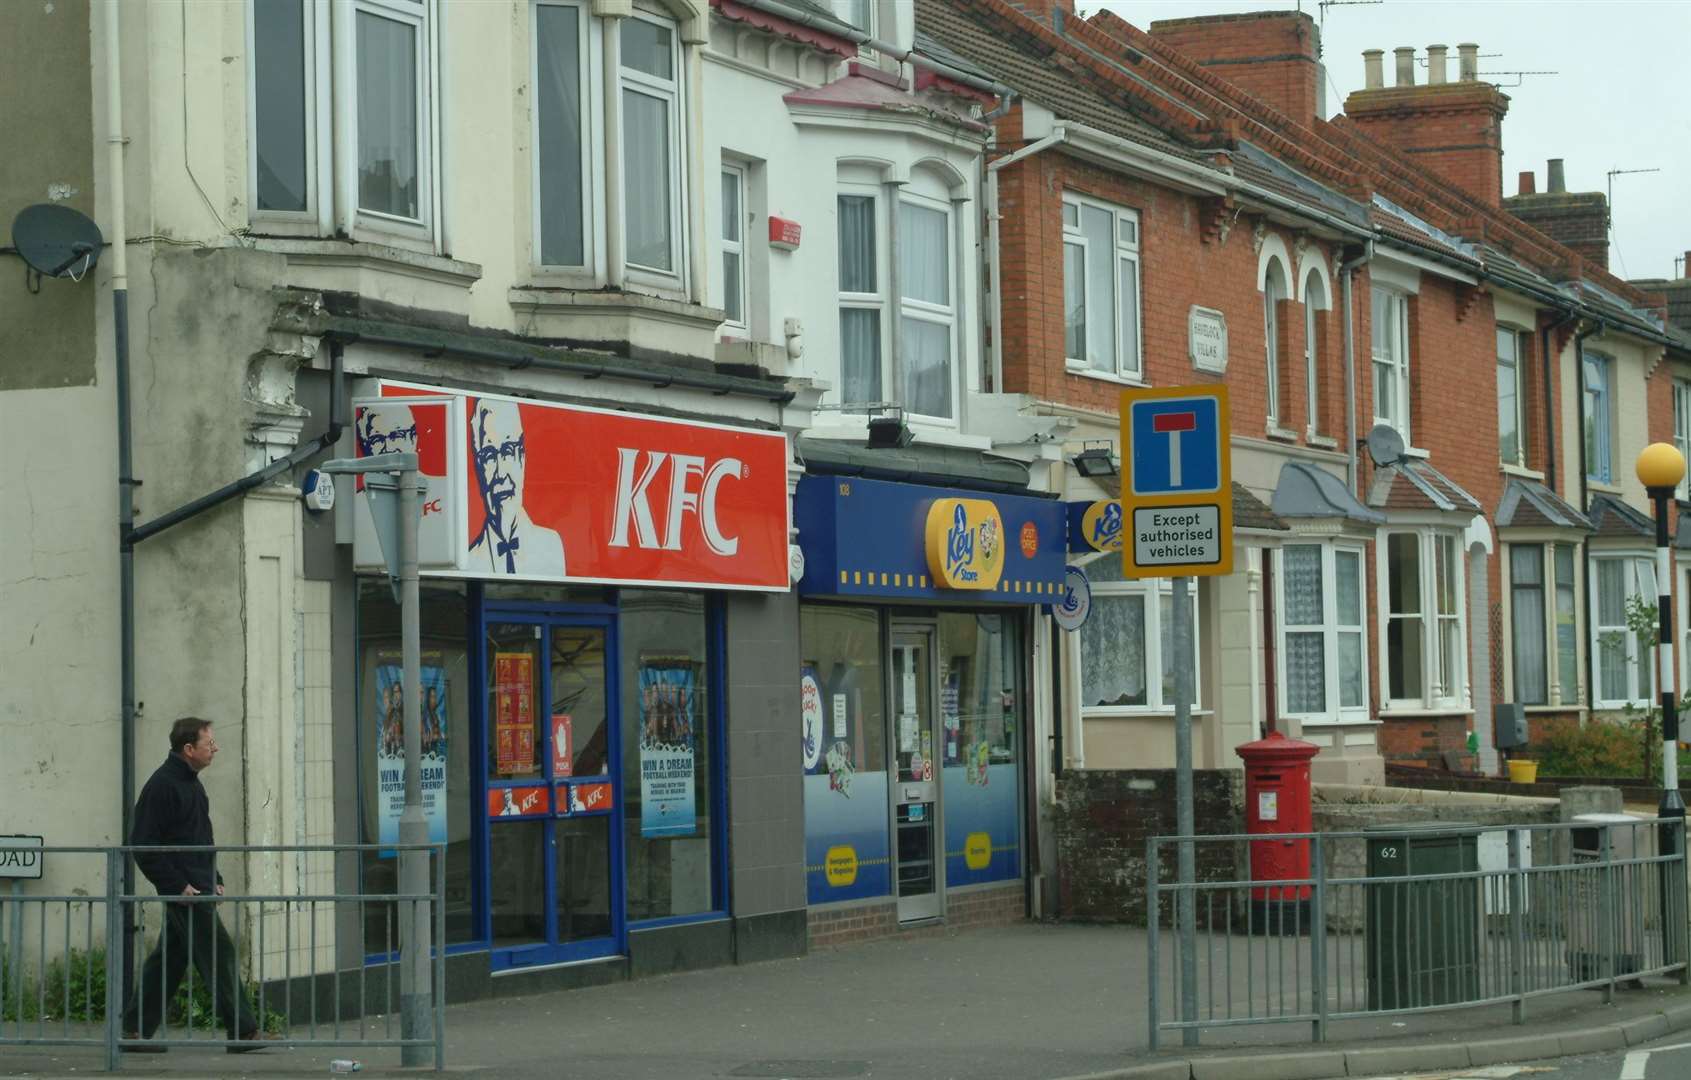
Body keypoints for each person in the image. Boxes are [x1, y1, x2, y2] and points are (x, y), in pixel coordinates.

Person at [121, 718, 279, 1053]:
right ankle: (243, 1032)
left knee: (169, 960)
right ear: (188, 749)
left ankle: (133, 1032)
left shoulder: (191, 783)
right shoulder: (163, 786)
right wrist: (178, 887)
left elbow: (200, 839)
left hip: (197, 888)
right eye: (210, 743)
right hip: (186, 894)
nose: (215, 748)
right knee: (219, 952)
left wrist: (215, 879)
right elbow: (143, 844)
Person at [469, 398, 565, 576]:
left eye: (507, 451)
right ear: (478, 468)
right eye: (489, 456)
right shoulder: (469, 561)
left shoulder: (551, 546)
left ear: (522, 459)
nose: (500, 473)